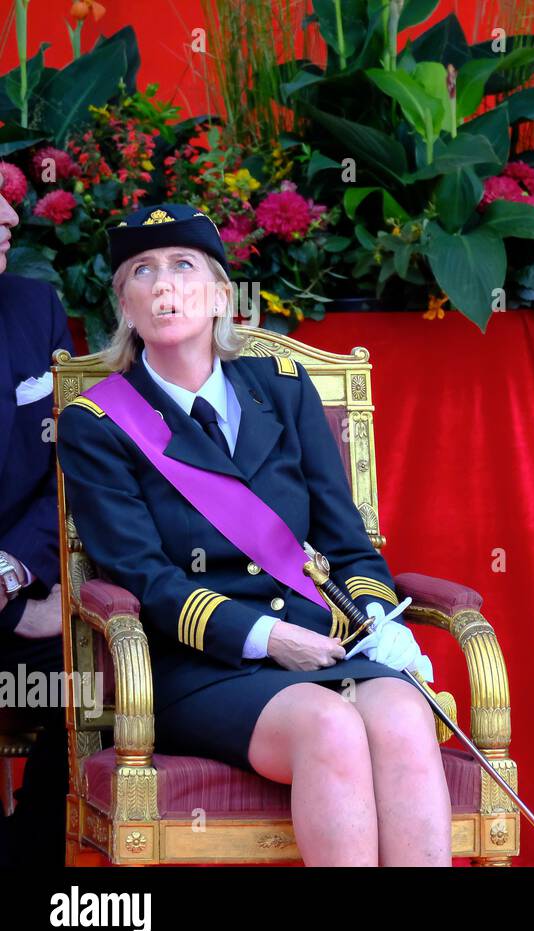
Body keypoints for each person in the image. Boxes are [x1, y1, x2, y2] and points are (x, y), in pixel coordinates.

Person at [57, 203, 451, 866]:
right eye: (142, 272)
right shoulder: (98, 423)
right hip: (199, 666)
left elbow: (345, 540)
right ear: (124, 305)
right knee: (330, 727)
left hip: (325, 644)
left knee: (406, 716)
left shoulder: (284, 391)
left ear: (219, 296)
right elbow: (145, 581)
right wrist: (270, 637)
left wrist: (381, 619)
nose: (164, 285)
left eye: (184, 266)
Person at [0, 180, 74, 866]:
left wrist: (14, 572)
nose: (10, 214)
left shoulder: (33, 304)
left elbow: (69, 463)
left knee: (110, 669)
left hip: (21, 590)